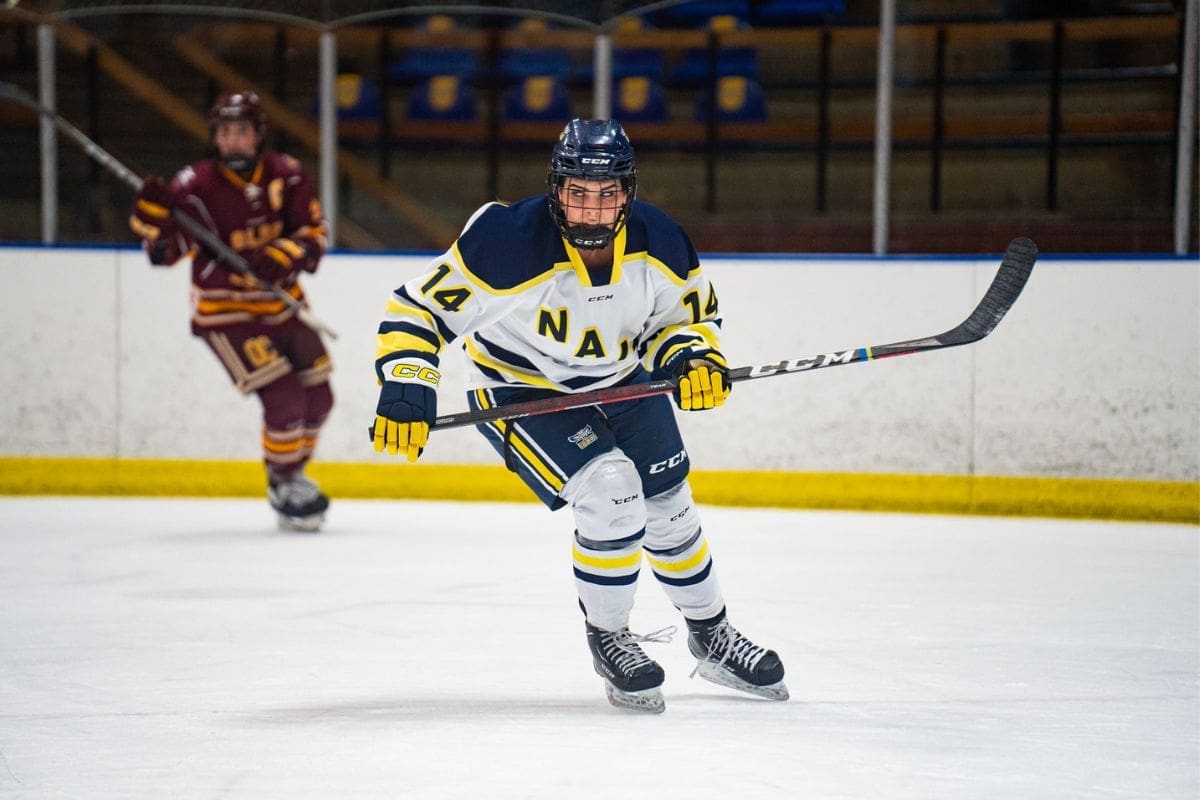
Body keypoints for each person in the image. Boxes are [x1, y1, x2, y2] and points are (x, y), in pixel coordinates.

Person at [371, 118, 787, 712]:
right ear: (555, 188)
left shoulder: (661, 239)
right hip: (520, 389)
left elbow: (684, 321)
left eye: (607, 194)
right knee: (613, 489)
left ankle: (711, 637)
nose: (592, 211)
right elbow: (416, 309)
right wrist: (409, 381)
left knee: (669, 504)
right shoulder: (506, 241)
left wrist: (693, 359)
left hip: (619, 380)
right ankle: (610, 637)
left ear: (627, 193)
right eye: (577, 193)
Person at [128, 90, 333, 532]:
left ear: (258, 134)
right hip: (227, 313)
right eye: (225, 132)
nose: (234, 140)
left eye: (242, 131)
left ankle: (293, 471)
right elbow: (167, 253)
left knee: (320, 397)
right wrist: (155, 225)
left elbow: (315, 234)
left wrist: (282, 255)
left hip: (284, 305)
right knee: (284, 399)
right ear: (214, 137)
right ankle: (283, 482)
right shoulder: (193, 186)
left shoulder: (288, 174)